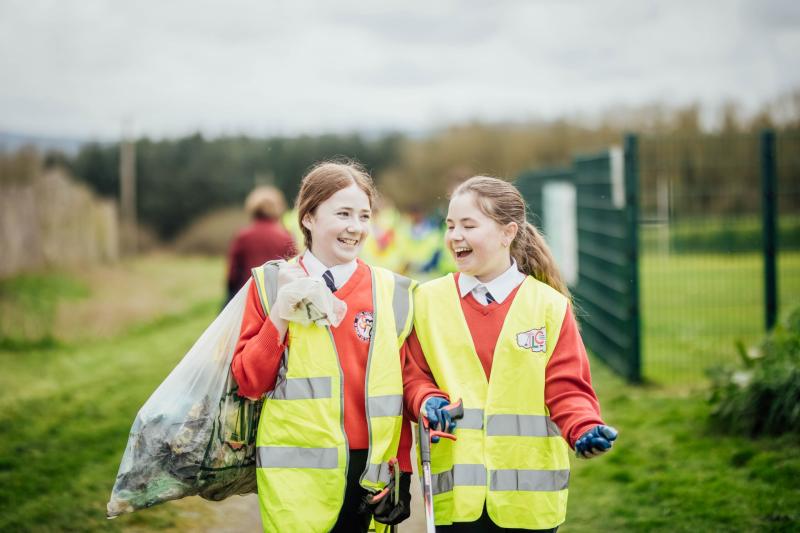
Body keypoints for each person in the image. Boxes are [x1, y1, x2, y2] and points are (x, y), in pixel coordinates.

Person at [231, 161, 439, 532]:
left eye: (363, 215)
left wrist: (402, 475)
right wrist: (281, 312)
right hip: (296, 476)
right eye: (343, 214)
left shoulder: (394, 293)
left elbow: (405, 385)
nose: (356, 227)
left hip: (370, 478)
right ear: (308, 217)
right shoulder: (268, 285)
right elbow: (249, 382)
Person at [402, 176, 618, 532]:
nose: (455, 235)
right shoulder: (425, 301)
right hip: (456, 499)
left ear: (507, 233)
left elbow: (567, 388)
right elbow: (414, 375)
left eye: (469, 225)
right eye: (451, 225)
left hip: (529, 503)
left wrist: (583, 428)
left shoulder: (549, 306)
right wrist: (427, 400)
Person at [225, 185, 296, 303]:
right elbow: (295, 268)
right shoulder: (286, 236)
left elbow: (233, 272)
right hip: (277, 297)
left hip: (248, 295)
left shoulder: (243, 236)